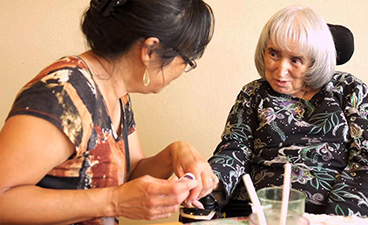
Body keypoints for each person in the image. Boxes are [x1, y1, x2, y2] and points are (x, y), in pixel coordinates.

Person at [0, 0, 217, 224]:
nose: (183, 70)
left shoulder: (117, 92)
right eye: (187, 60)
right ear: (150, 51)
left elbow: (128, 177)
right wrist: (114, 201)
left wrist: (174, 153)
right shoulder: (65, 93)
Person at [208, 5, 368, 218]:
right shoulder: (253, 93)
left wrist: (336, 220)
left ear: (315, 61)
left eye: (295, 60)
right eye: (274, 54)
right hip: (260, 212)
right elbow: (234, 148)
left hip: (334, 214)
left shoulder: (349, 89)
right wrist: (211, 181)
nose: (281, 69)